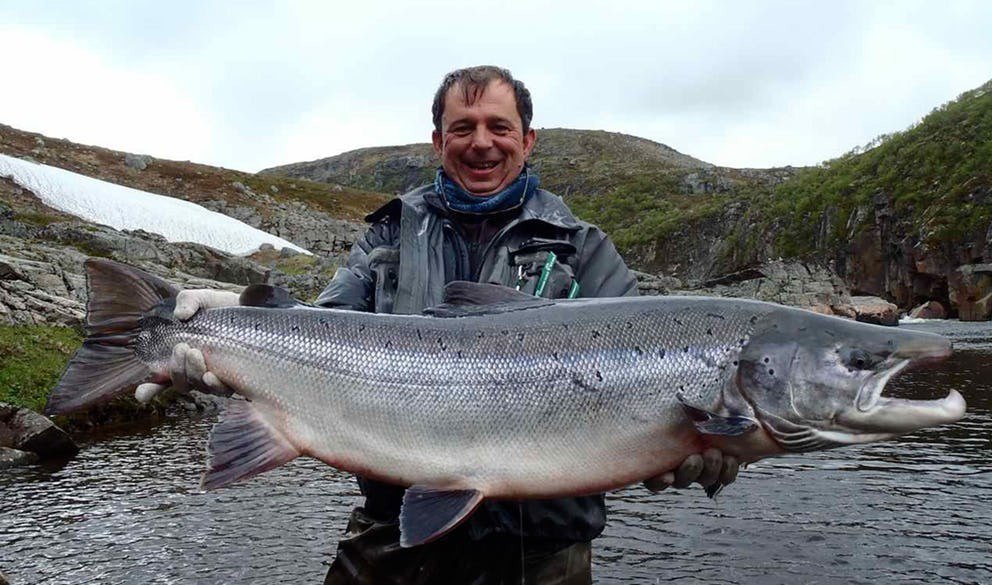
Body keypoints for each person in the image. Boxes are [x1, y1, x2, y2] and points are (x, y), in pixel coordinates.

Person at [141, 65, 739, 584]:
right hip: (393, 534)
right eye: (463, 128)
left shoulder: (583, 251)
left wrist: (704, 446)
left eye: (499, 127)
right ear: (438, 141)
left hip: (542, 552)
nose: (482, 143)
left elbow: (661, 398)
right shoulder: (388, 236)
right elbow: (322, 330)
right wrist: (235, 319)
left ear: (528, 140)